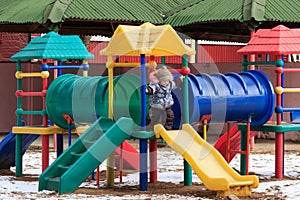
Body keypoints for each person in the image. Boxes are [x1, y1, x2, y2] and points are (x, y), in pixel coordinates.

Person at [146, 66, 183, 131]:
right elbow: (152, 88)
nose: (165, 82)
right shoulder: (156, 85)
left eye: (167, 80)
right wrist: (148, 90)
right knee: (154, 117)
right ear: (159, 80)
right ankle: (150, 128)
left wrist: (181, 79)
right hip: (156, 105)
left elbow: (176, 83)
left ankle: (167, 129)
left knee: (170, 116)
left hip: (167, 105)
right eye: (164, 81)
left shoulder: (170, 84)